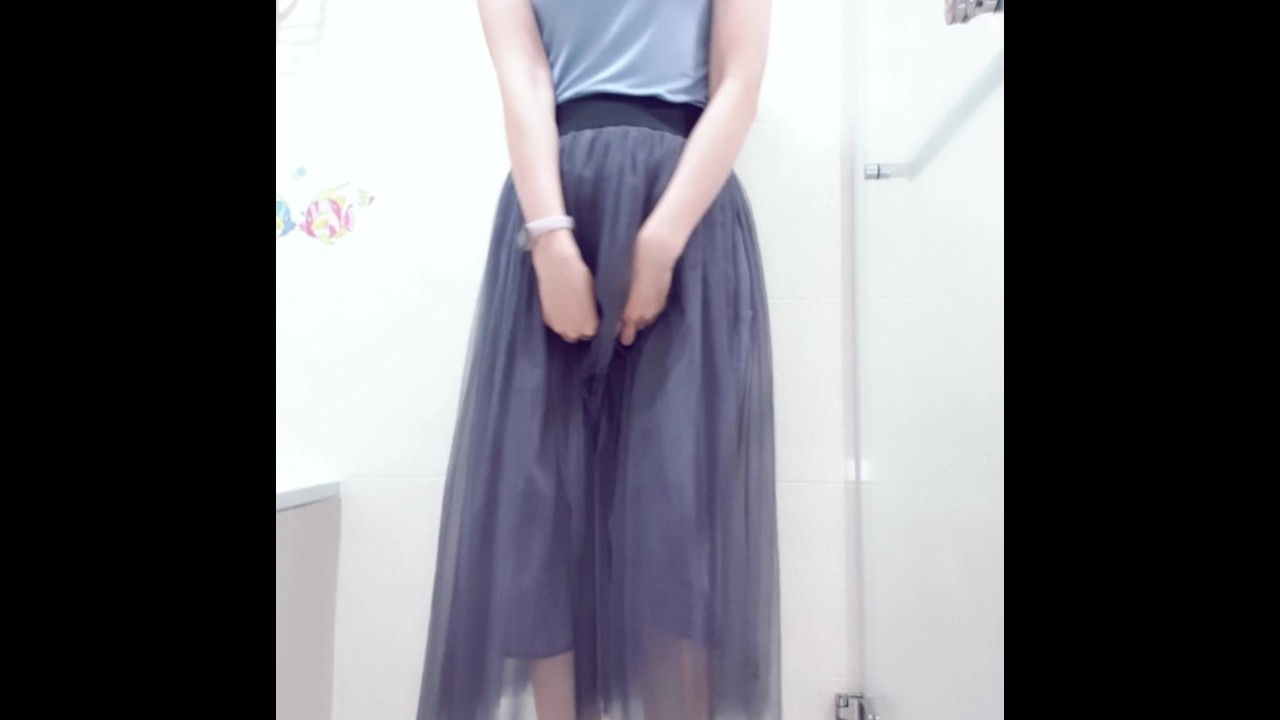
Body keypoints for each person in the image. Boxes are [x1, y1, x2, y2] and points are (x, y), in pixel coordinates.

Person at [417, 0, 777, 717]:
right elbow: (523, 77)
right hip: (556, 204)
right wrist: (550, 238)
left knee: (679, 506)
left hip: (687, 206)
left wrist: (663, 239)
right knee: (538, 506)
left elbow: (738, 81)